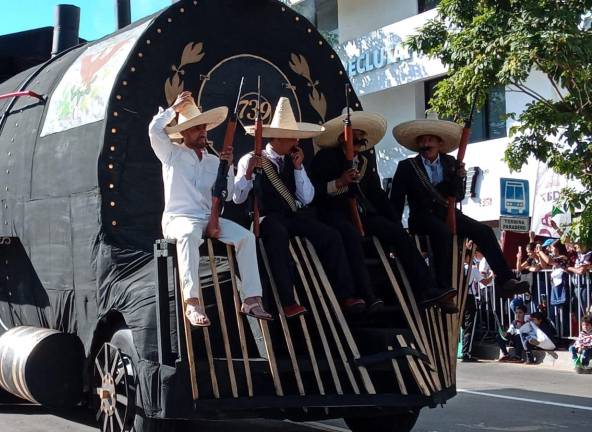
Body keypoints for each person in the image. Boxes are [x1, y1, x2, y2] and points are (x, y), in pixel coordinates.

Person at [309, 109, 457, 313]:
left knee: (399, 235)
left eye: (361, 140)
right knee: (350, 236)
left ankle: (427, 289)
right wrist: (339, 182)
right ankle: (366, 295)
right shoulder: (325, 158)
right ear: (343, 138)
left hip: (362, 215)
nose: (359, 144)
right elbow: (313, 191)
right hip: (334, 213)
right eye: (355, 138)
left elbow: (377, 195)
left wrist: (394, 221)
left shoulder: (363, 164)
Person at [234, 97, 368, 316]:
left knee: (330, 235)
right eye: (291, 136)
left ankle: (346, 296)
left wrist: (298, 168)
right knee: (277, 234)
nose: (296, 140)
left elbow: (307, 198)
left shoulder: (292, 160)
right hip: (266, 217)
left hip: (291, 215)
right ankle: (287, 301)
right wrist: (249, 172)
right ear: (276, 137)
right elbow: (237, 197)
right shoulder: (251, 158)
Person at [149, 91, 271, 327]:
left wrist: (231, 166)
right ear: (183, 132)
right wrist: (173, 109)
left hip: (208, 217)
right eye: (196, 128)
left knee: (246, 237)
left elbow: (234, 195)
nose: (202, 132)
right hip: (180, 218)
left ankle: (252, 299)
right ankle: (192, 303)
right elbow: (154, 130)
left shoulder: (214, 161)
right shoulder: (171, 153)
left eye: (204, 127)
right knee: (187, 234)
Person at [389, 114, 529, 299]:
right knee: (442, 232)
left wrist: (459, 178)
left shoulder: (450, 163)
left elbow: (459, 195)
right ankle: (444, 287)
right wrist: (395, 232)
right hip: (422, 217)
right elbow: (396, 201)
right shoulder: (407, 166)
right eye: (422, 140)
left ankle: (505, 279)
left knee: (485, 232)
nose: (426, 144)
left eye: (430, 139)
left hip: (448, 212)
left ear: (439, 143)